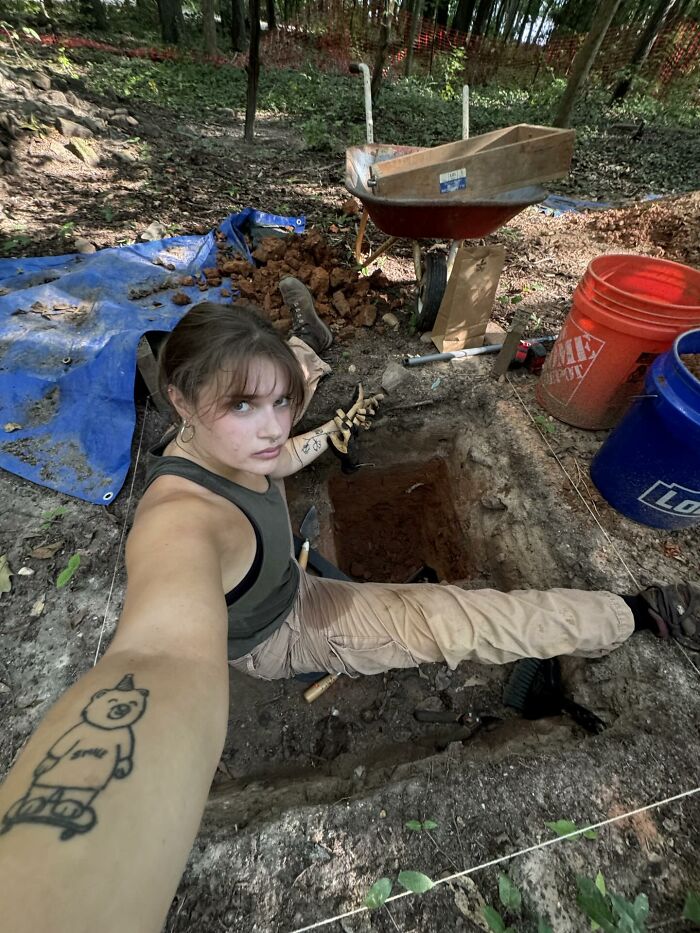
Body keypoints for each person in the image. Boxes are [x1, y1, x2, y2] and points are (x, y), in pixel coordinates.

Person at [0, 299, 697, 933]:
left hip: (287, 585)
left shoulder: (230, 446)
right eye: (243, 405)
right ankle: (633, 613)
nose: (273, 426)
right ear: (180, 399)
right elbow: (157, 660)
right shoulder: (179, 522)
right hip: (284, 629)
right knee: (462, 619)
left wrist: (322, 435)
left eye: (281, 401)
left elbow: (274, 457)